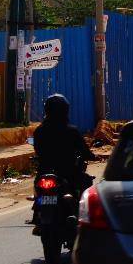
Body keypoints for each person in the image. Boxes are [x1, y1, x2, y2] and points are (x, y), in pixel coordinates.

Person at [30, 94, 95, 231]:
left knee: (38, 187)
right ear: (65, 110)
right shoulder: (71, 130)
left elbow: (37, 150)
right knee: (87, 182)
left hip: (44, 171)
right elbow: (84, 150)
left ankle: (37, 211)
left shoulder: (39, 131)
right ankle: (82, 217)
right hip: (68, 173)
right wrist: (91, 156)